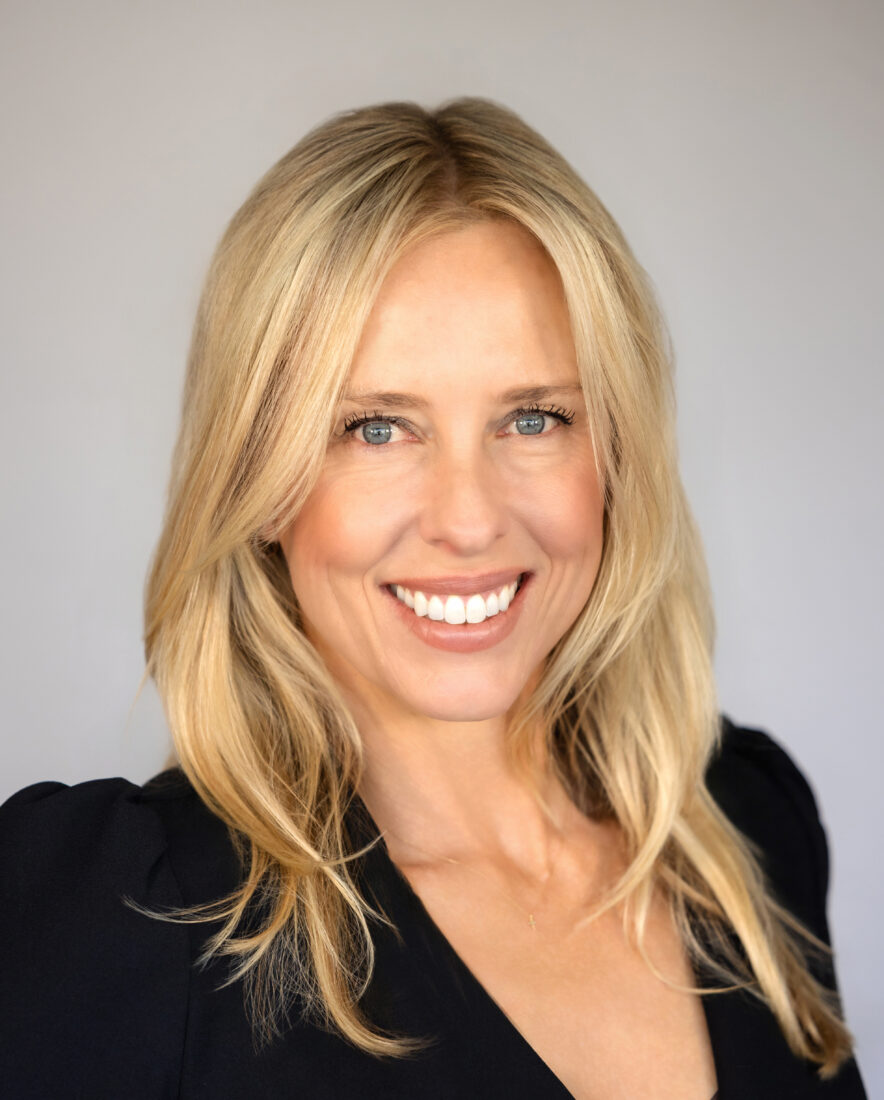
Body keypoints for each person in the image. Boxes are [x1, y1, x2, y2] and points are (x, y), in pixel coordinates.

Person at [0, 99, 867, 1099]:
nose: (467, 518)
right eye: (376, 428)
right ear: (260, 478)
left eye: (533, 417)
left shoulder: (746, 828)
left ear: (615, 457)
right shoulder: (119, 924)